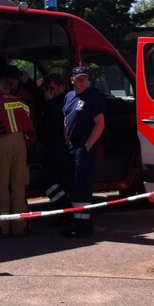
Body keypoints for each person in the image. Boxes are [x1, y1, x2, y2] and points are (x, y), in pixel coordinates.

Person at [0, 77, 35, 237]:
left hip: (2, 143)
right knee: (19, 185)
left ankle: (3, 228)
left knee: (1, 185)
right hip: (20, 143)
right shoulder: (21, 103)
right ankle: (20, 227)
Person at [61, 65, 105, 237]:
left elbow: (100, 124)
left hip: (84, 148)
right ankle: (76, 223)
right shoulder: (68, 97)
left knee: (82, 187)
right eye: (78, 79)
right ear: (72, 80)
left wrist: (87, 146)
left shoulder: (92, 98)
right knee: (72, 185)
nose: (82, 82)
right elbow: (65, 120)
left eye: (84, 78)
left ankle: (83, 227)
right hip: (71, 146)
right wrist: (67, 143)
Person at [35, 73, 71, 208]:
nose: (49, 91)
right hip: (51, 145)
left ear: (61, 87)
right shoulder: (50, 98)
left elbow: (61, 119)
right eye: (47, 88)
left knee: (49, 180)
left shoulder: (66, 99)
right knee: (52, 180)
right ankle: (64, 208)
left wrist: (50, 102)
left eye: (52, 88)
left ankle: (65, 207)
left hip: (61, 146)